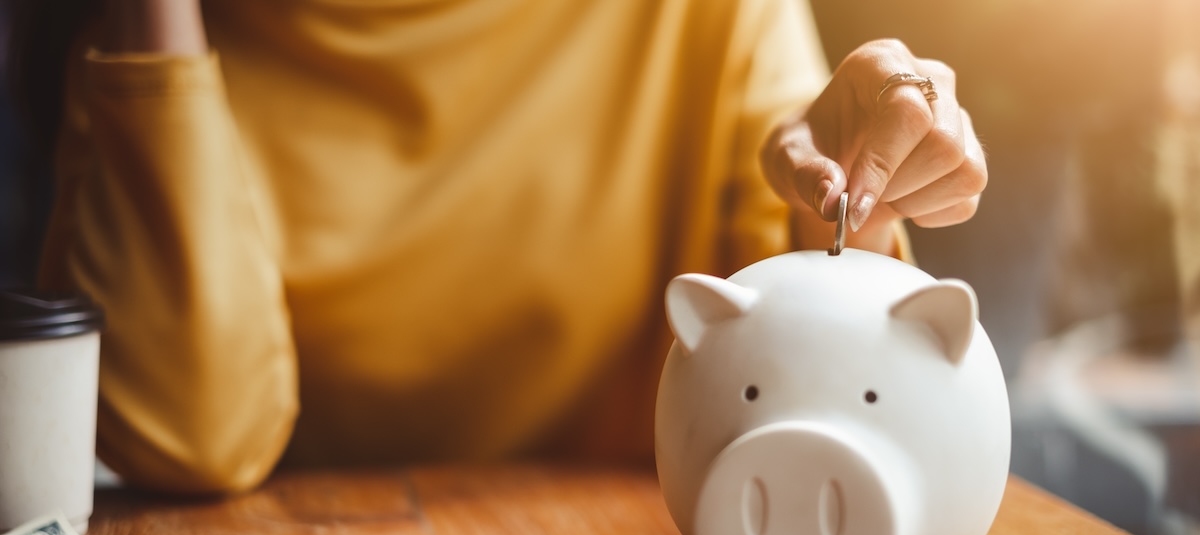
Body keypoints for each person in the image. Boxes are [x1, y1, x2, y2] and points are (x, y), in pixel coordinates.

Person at [16, 0, 985, 494]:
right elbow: (187, 440)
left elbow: (822, 378)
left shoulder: (696, 15)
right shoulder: (161, 49)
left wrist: (843, 187)